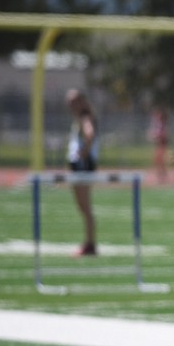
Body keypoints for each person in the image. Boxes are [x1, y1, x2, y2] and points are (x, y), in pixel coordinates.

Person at [65, 88, 99, 256]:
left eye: (73, 101)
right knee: (82, 207)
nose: (69, 104)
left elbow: (90, 135)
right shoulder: (78, 119)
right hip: (79, 165)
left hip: (83, 166)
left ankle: (90, 244)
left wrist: (83, 154)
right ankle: (89, 242)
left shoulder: (86, 118)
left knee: (85, 207)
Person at [148, 107, 170, 183]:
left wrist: (157, 136)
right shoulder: (157, 123)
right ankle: (161, 173)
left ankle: (162, 174)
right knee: (157, 159)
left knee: (160, 159)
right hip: (158, 143)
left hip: (162, 143)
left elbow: (164, 134)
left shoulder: (162, 124)